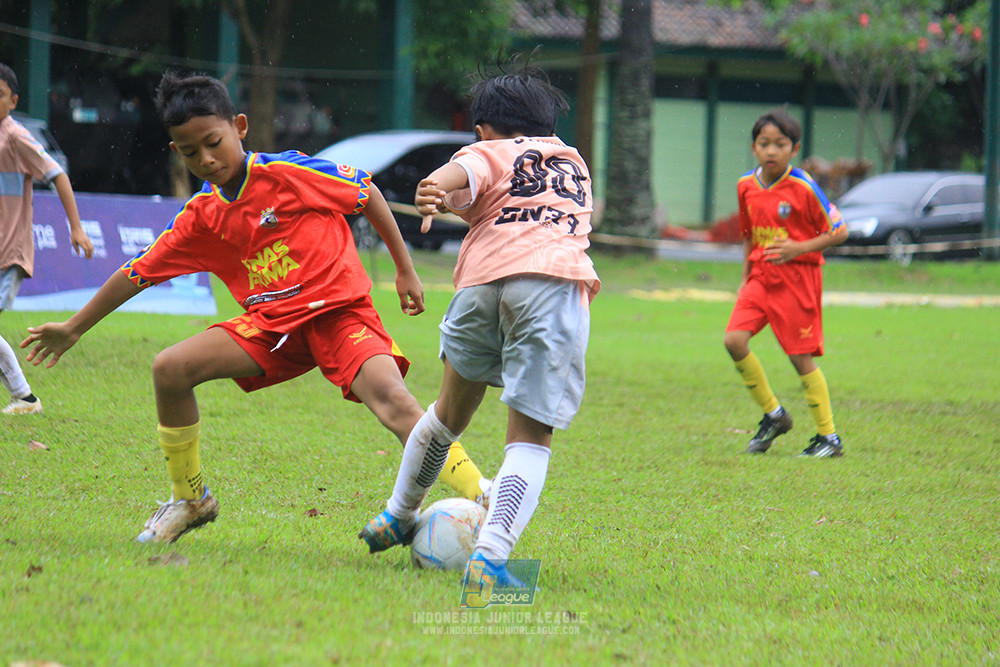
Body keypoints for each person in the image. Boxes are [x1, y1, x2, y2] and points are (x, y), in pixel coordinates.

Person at [21, 71, 489, 544]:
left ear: (239, 127)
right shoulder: (200, 217)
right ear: (175, 152)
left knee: (393, 401)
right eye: (189, 152)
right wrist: (76, 327)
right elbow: (137, 273)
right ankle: (190, 499)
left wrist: (404, 269)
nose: (205, 159)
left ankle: (481, 494)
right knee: (170, 369)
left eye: (213, 143)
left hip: (338, 313)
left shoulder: (289, 174)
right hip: (270, 328)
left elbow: (367, 195)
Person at [358, 64, 600, 589]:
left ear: (484, 127)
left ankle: (397, 515)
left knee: (446, 415)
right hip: (550, 286)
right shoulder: (573, 162)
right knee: (531, 436)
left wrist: (430, 190)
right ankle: (489, 559)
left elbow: (458, 174)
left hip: (481, 286)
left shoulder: (486, 150)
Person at [724, 108, 848, 458]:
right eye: (764, 143)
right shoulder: (745, 185)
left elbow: (839, 231)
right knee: (734, 340)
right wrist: (745, 277)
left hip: (797, 282)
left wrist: (798, 247)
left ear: (794, 149)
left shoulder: (804, 186)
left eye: (780, 144)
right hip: (761, 279)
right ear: (753, 148)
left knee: (799, 359)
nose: (771, 151)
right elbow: (749, 235)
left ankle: (828, 437)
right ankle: (774, 415)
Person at [0, 62, 93, 415]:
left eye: (0, 95)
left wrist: (76, 227)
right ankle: (24, 398)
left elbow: (58, 176)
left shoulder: (16, 136)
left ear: (14, 101)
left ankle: (24, 398)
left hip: (8, 252)